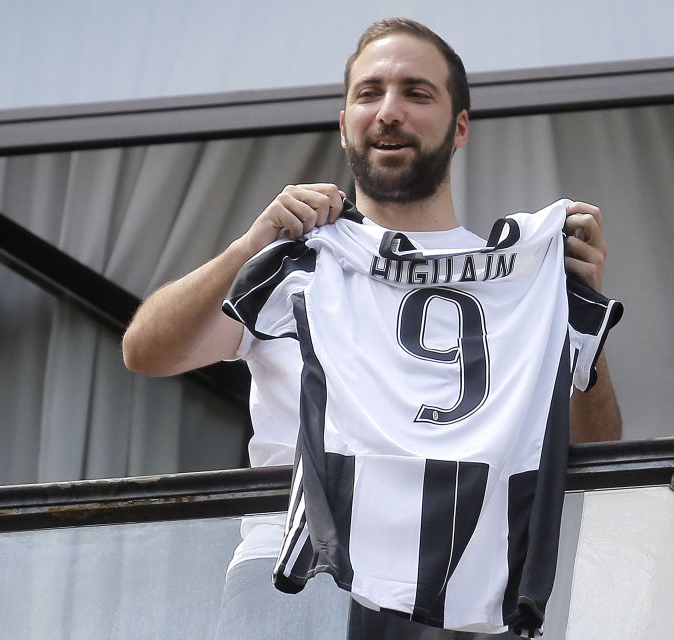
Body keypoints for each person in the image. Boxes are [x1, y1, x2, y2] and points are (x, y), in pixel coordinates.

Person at [122, 17, 621, 639]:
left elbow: (596, 457)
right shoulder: (297, 257)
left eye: (417, 93)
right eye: (369, 93)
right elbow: (145, 352)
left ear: (459, 127)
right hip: (298, 574)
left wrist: (578, 321)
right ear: (344, 123)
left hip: (464, 580)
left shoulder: (526, 279)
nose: (389, 112)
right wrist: (248, 247)